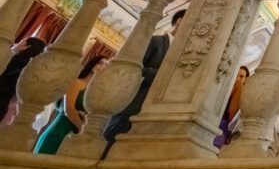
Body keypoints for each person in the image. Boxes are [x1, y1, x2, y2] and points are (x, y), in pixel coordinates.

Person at [103, 8, 186, 152]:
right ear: (180, 20)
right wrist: (164, 74)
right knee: (107, 146)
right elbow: (134, 69)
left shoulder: (184, 55)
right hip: (131, 107)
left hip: (155, 116)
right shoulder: (155, 41)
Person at [34, 55, 108, 154]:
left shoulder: (95, 92)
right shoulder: (76, 83)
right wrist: (82, 128)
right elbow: (68, 109)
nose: (104, 66)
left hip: (74, 135)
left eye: (106, 65)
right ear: (92, 66)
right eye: (100, 63)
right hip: (59, 131)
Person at [0, 37, 46, 124]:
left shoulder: (8, 57)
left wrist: (13, 49)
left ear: (26, 45)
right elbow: (16, 99)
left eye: (22, 41)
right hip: (3, 103)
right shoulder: (31, 69)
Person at [214, 65, 249, 148]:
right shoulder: (227, 87)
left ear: (246, 79)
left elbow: (233, 112)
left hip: (225, 123)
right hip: (221, 122)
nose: (238, 79)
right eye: (237, 75)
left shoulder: (241, 89)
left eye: (241, 76)